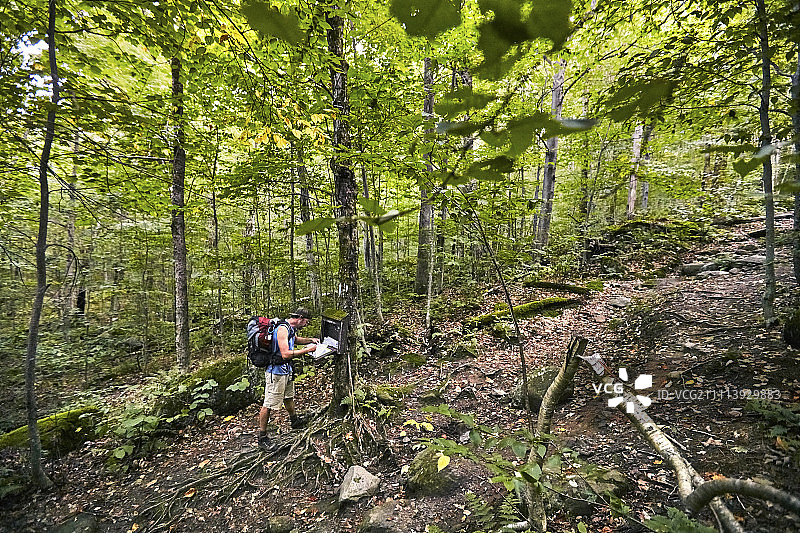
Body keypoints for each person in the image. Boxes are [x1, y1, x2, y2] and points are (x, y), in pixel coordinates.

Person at [258, 307, 318, 451]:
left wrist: (310, 340)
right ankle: (262, 437)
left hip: (286, 370)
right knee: (269, 404)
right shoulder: (282, 329)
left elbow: (295, 339)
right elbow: (285, 353)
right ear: (300, 318)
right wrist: (307, 350)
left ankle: (294, 420)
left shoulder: (290, 329)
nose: (306, 325)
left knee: (288, 397)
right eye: (306, 322)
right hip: (276, 372)